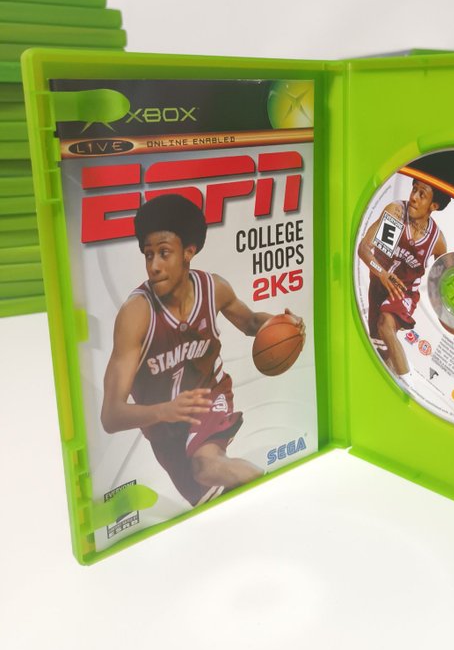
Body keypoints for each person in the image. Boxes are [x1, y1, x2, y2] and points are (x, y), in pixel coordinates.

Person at [101, 193, 305, 507]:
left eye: (164, 253)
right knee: (210, 497)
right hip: (163, 428)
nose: (154, 266)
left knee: (206, 466)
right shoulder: (136, 314)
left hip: (210, 395)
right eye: (148, 255)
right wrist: (164, 411)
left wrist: (283, 323)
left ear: (189, 252)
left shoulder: (214, 289)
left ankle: (288, 500)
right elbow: (111, 415)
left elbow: (252, 322)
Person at [357, 177, 449, 384]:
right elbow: (364, 249)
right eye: (414, 189)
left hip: (404, 292)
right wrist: (382, 273)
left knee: (385, 324)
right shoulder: (397, 213)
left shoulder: (437, 241)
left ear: (433, 206)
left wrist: (451, 318)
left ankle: (410, 384)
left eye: (422, 194)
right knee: (380, 349)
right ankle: (394, 378)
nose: (414, 197)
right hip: (378, 284)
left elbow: (442, 282)